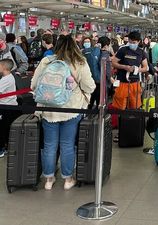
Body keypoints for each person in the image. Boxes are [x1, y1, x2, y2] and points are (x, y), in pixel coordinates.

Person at [30, 34, 96, 190]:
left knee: (49, 145)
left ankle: (48, 179)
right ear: (75, 45)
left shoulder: (47, 61)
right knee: (67, 144)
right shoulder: (79, 62)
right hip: (70, 110)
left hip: (48, 109)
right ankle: (67, 179)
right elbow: (90, 87)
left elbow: (34, 85)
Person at [112, 31, 148, 110]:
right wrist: (124, 67)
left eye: (134, 42)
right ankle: (118, 121)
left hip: (135, 83)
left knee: (134, 106)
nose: (131, 44)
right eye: (130, 42)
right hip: (122, 82)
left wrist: (138, 69)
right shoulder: (123, 50)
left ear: (139, 41)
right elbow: (114, 63)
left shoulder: (141, 52)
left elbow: (146, 67)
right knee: (119, 107)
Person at [0, 59, 20, 157]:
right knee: (7, 128)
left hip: (5, 108)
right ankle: (7, 147)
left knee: (2, 129)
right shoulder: (10, 77)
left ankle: (1, 149)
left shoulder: (5, 80)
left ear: (4, 67)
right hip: (11, 107)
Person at [82, 36, 101, 109]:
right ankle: (89, 107)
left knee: (97, 93)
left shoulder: (96, 50)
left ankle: (95, 108)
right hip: (87, 76)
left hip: (96, 76)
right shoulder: (81, 51)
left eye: (88, 42)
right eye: (85, 42)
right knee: (90, 93)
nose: (87, 43)